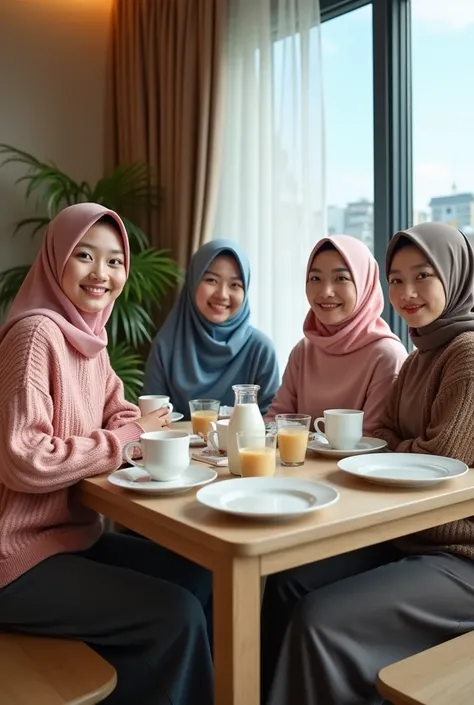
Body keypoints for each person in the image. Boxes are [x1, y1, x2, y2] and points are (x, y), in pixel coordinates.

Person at [0, 203, 213, 705]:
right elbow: (27, 459)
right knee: (176, 614)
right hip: (17, 558)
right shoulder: (37, 336)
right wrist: (124, 439)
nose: (103, 274)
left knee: (202, 575)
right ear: (56, 261)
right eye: (85, 256)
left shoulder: (89, 340)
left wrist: (126, 430)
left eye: (115, 261)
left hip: (71, 540)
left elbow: (121, 412)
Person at [261, 222, 474, 705]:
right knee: (286, 582)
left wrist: (401, 447)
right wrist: (403, 447)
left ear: (457, 277)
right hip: (406, 534)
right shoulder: (422, 355)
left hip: (461, 555)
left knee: (320, 618)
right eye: (396, 279)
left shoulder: (466, 354)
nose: (407, 292)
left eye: (423, 276)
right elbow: (383, 440)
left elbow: (441, 465)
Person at [266, 235, 407, 435]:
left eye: (341, 278)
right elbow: (276, 420)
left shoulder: (386, 356)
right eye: (315, 278)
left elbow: (372, 440)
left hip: (353, 467)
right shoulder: (304, 350)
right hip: (298, 465)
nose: (326, 291)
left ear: (365, 284)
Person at [143, 239, 279, 418]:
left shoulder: (261, 349)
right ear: (193, 282)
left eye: (235, 285)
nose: (222, 295)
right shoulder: (166, 346)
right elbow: (153, 418)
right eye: (211, 280)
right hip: (178, 445)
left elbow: (270, 421)